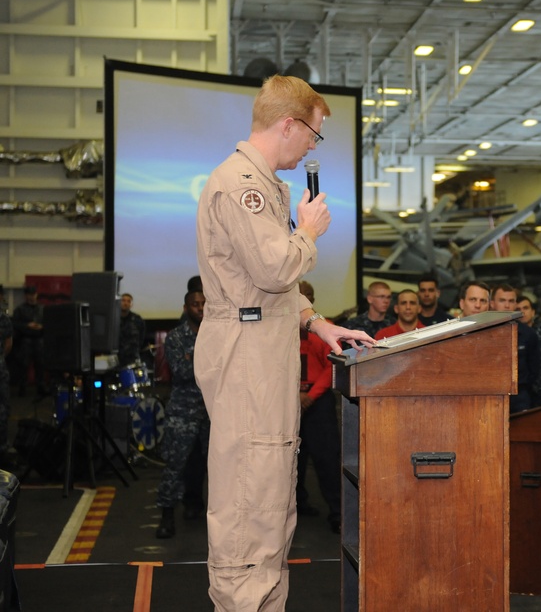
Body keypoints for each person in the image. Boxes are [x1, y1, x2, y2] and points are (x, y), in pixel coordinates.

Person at [194, 74, 374, 610]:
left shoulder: (264, 182)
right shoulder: (242, 185)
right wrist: (308, 231)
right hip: (247, 352)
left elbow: (269, 286)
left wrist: (320, 323)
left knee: (271, 498)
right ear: (289, 125)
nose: (313, 148)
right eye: (315, 136)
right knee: (251, 500)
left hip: (262, 341)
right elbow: (274, 269)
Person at [155, 290, 210, 539]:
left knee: (217, 469)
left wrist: (195, 358)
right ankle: (166, 516)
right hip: (182, 413)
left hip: (212, 413)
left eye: (203, 304)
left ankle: (205, 511)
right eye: (195, 305)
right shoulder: (176, 337)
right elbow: (183, 371)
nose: (200, 308)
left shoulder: (217, 334)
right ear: (186, 308)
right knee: (175, 467)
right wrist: (206, 362)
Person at [296, 280, 342, 533]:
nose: (305, 298)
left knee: (327, 459)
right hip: (288, 400)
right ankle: (296, 505)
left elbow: (331, 367)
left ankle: (337, 513)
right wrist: (294, 395)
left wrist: (310, 396)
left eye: (308, 296)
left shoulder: (326, 329)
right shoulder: (279, 330)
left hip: (318, 400)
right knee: (292, 460)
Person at [492, 284, 541, 412]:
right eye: (502, 300)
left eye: (511, 301)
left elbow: (535, 369)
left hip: (520, 397)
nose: (507, 306)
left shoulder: (528, 334)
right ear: (492, 303)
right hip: (491, 396)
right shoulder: (482, 334)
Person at [10, 285, 44, 397]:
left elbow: (49, 323)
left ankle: (40, 387)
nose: (32, 297)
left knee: (40, 365)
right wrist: (27, 325)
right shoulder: (20, 310)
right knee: (23, 365)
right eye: (29, 294)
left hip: (39, 340)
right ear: (26, 296)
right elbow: (14, 324)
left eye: (33, 294)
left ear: (36, 295)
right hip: (25, 340)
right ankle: (22, 388)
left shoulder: (42, 309)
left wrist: (41, 327)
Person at [0, 290, 12, 461]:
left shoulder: (3, 319)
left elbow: (8, 343)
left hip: (0, 368)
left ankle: (2, 448)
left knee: (4, 409)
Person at [118, 292, 146, 364]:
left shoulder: (137, 320)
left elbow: (142, 337)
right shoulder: (113, 319)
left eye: (128, 301)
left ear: (131, 304)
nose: (125, 303)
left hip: (132, 356)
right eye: (123, 300)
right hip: (116, 356)